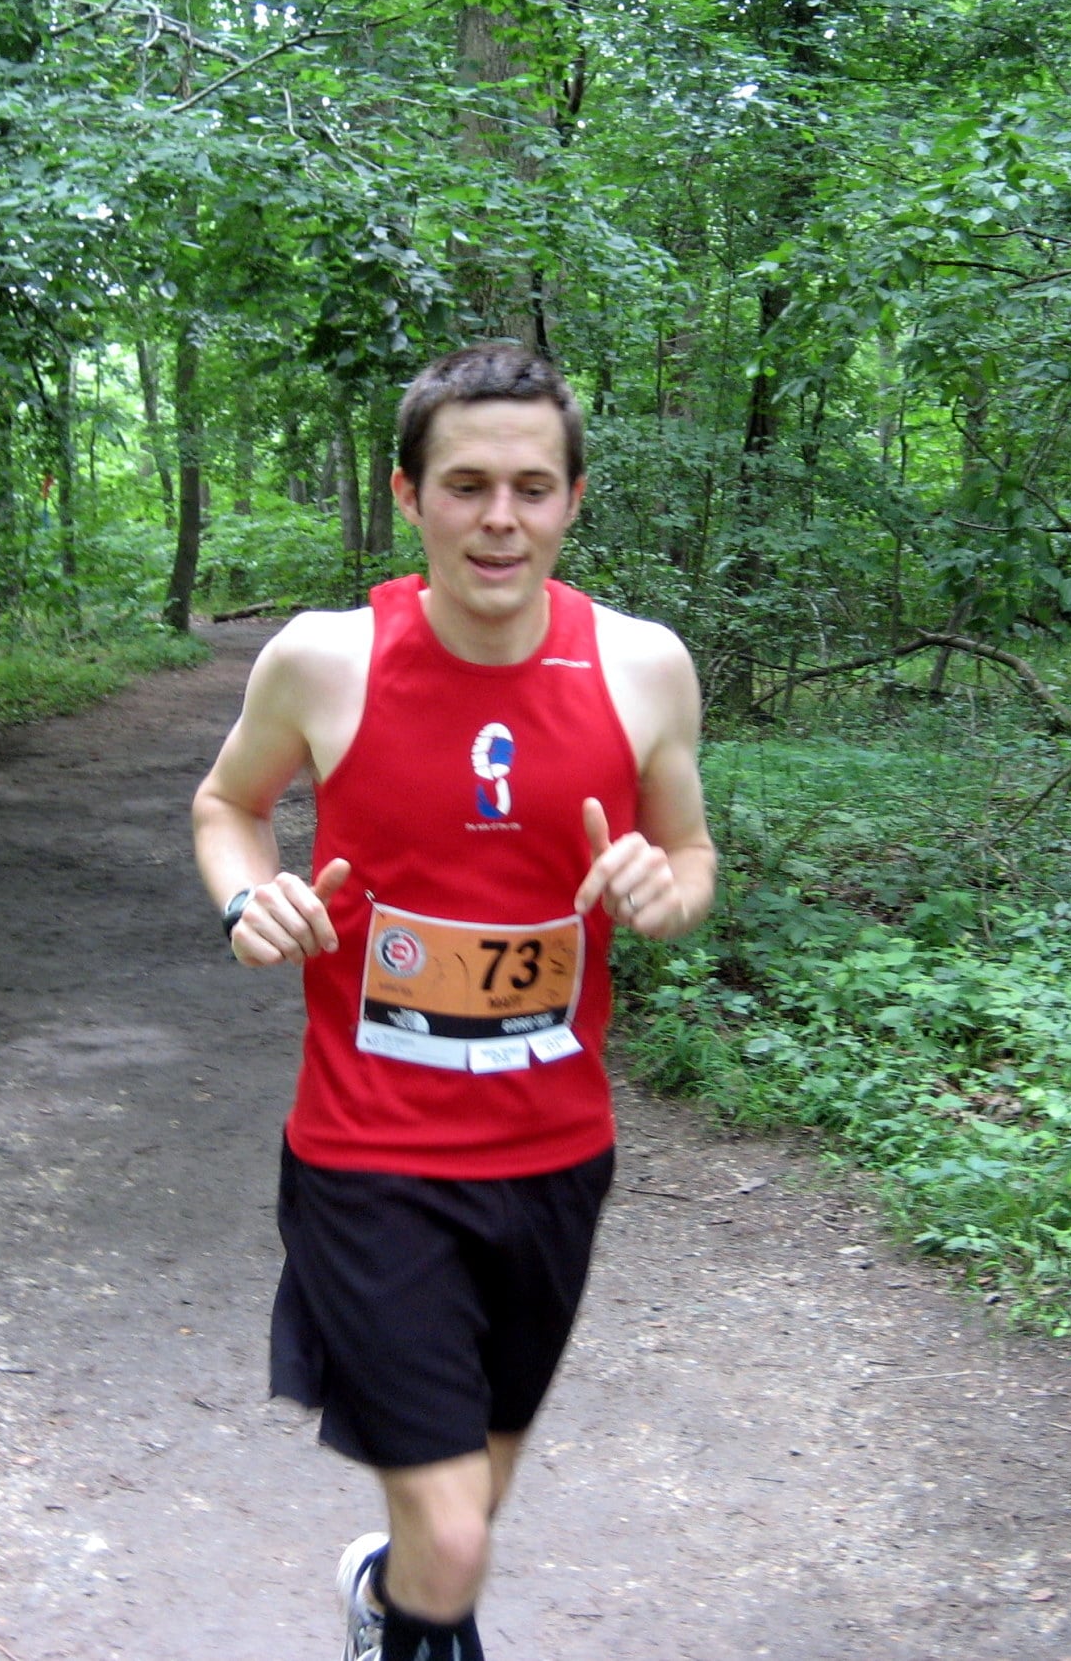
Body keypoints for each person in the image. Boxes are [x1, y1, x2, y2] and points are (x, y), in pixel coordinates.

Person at [191, 342, 716, 1661]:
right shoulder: (324, 660)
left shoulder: (646, 666)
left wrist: (667, 889)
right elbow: (227, 808)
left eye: (532, 488)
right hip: (371, 1155)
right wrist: (247, 898)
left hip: (554, 1155)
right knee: (461, 1542)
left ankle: (391, 1596)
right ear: (408, 494)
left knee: (465, 1510)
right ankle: (416, 1617)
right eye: (467, 483)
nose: (500, 518)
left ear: (573, 501)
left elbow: (691, 853)